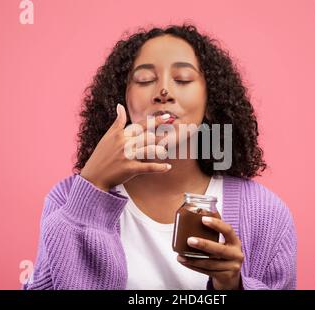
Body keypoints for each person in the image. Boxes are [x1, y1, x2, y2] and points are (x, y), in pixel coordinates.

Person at [24, 24, 297, 290]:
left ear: (210, 101)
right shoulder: (67, 200)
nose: (163, 91)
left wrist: (232, 287)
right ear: (120, 100)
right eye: (145, 80)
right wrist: (91, 187)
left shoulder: (265, 213)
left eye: (182, 79)